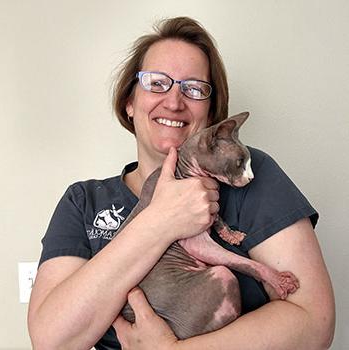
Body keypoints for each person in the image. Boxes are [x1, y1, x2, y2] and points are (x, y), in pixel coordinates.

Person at [28, 16, 335, 350]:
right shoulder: (84, 201)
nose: (174, 101)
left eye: (194, 89)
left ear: (212, 113)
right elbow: (52, 341)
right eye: (156, 82)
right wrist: (159, 222)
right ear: (130, 103)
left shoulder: (249, 173)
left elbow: (313, 323)